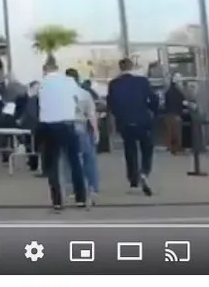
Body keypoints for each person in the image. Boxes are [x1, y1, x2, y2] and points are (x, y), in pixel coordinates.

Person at [37, 58, 88, 211]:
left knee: (52, 164)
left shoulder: (41, 84)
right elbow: (80, 99)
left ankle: (57, 200)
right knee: (74, 162)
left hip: (48, 125)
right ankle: (80, 198)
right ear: (57, 68)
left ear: (45, 70)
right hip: (67, 124)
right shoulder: (69, 82)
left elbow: (37, 102)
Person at [108, 57, 157, 196]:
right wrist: (152, 111)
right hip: (143, 120)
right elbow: (153, 99)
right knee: (147, 147)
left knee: (130, 150)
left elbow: (111, 104)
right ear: (131, 67)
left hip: (125, 122)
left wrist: (119, 116)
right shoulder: (142, 82)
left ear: (120, 68)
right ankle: (144, 172)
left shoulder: (114, 84)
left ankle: (133, 179)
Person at [65, 68, 99, 205]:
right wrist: (96, 131)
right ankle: (92, 187)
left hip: (67, 126)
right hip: (82, 125)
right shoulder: (85, 94)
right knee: (88, 158)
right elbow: (91, 114)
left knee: (71, 160)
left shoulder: (63, 94)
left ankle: (74, 189)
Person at [162, 75, 186, 155]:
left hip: (169, 114)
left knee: (170, 132)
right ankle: (175, 148)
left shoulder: (169, 91)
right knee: (176, 132)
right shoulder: (177, 92)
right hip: (175, 114)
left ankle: (171, 148)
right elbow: (182, 102)